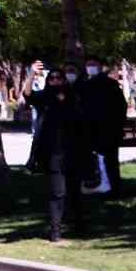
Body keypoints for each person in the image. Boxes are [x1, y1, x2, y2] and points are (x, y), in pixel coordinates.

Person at [36, 61, 89, 241]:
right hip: (53, 153)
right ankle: (55, 230)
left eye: (60, 77)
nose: (56, 80)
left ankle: (80, 227)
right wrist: (30, 74)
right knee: (57, 192)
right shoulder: (45, 98)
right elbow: (28, 95)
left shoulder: (74, 95)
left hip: (73, 151)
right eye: (52, 78)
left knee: (75, 191)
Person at [79, 55, 126, 196]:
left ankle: (113, 188)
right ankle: (95, 186)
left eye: (93, 64)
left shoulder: (110, 85)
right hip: (89, 131)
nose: (90, 67)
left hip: (108, 130)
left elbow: (120, 107)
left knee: (110, 161)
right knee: (93, 161)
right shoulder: (83, 85)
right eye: (88, 64)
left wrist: (116, 126)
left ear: (100, 67)